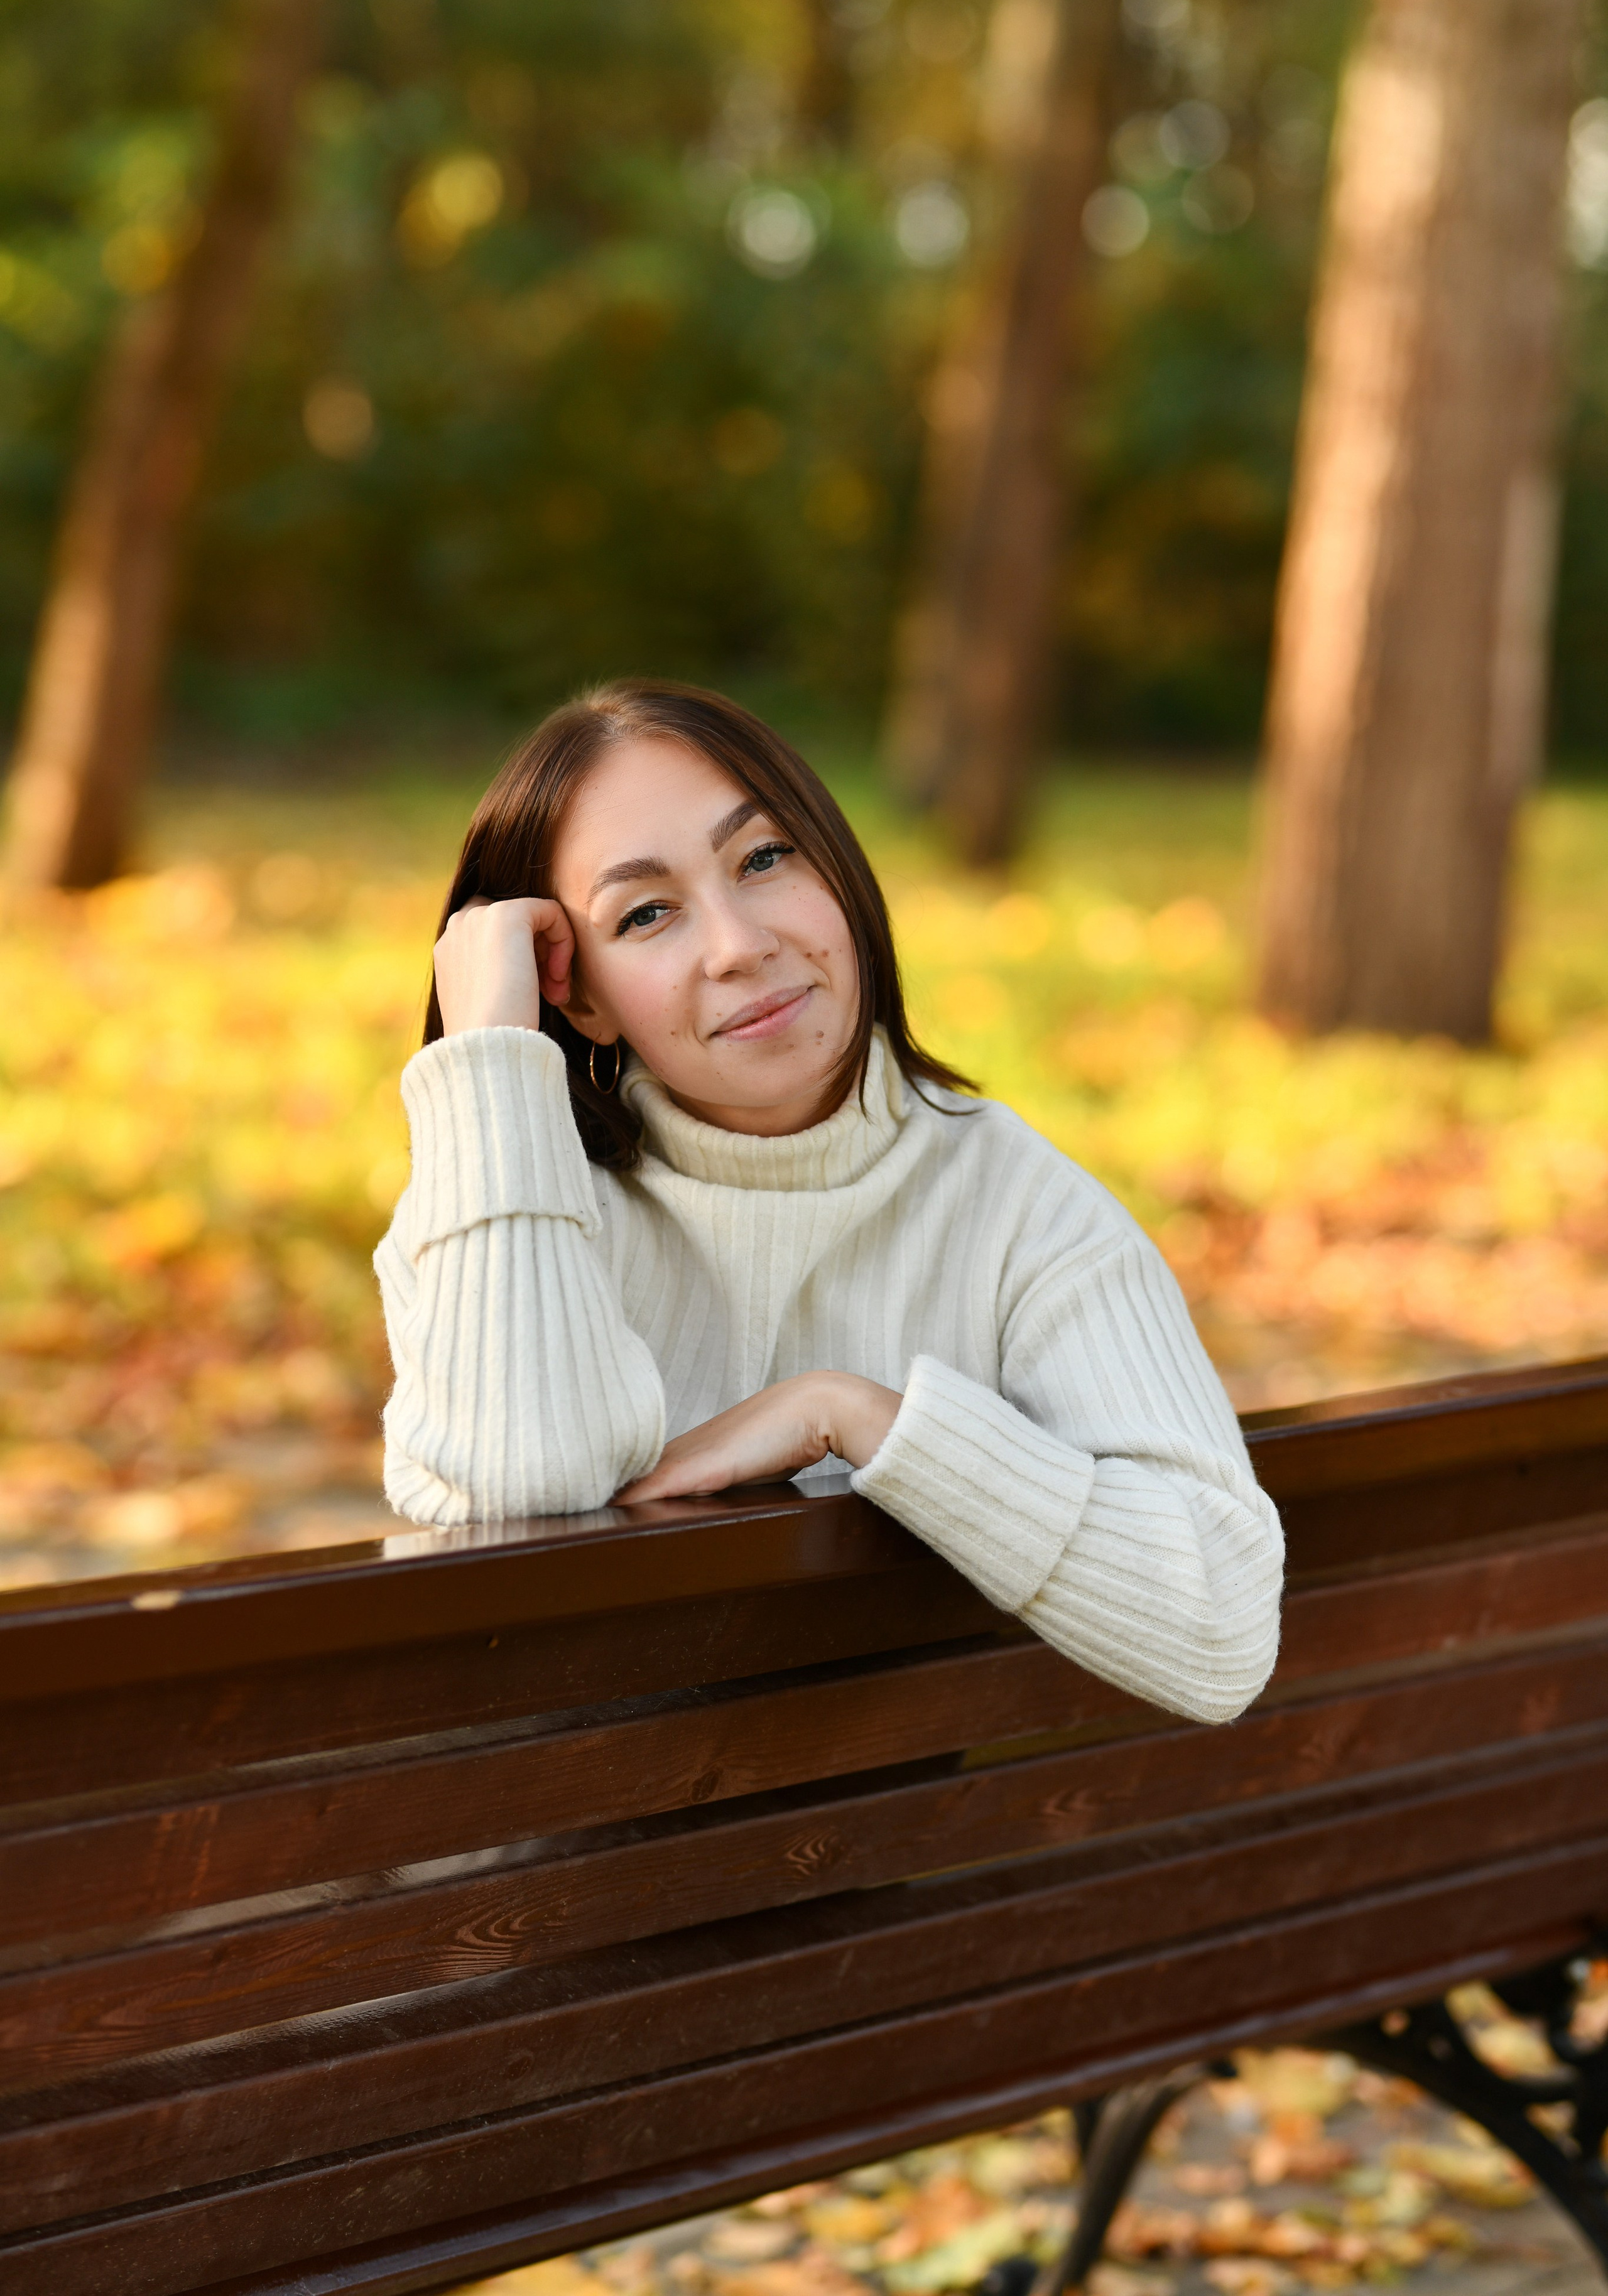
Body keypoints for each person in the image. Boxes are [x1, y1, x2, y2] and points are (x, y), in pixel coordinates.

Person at [376, 678, 1283, 1723]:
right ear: (574, 994)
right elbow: (513, 1499)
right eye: (648, 913)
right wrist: (491, 1052)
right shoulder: (493, 1215)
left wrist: (852, 1416)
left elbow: (1219, 1632)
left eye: (764, 858)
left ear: (838, 868)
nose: (739, 945)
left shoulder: (1014, 1209)